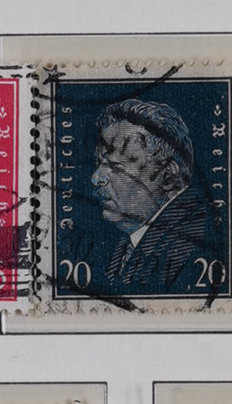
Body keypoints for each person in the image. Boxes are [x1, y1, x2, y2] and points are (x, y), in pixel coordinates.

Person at [86, 97, 219, 293]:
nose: (95, 178)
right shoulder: (129, 243)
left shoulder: (192, 244)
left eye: (115, 166)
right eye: (99, 164)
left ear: (168, 176)